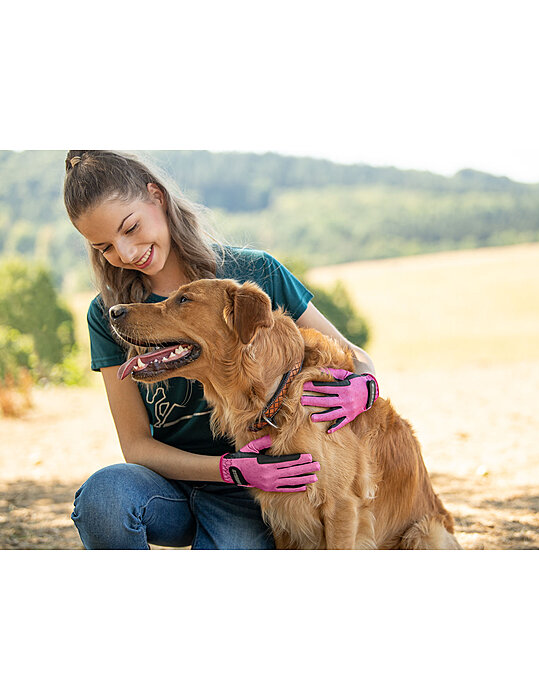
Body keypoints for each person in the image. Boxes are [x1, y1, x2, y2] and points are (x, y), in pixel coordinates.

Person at [63, 150, 378, 550]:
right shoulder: (111, 313)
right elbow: (136, 446)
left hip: (251, 496)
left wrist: (363, 386)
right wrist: (232, 469)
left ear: (156, 197)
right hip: (170, 487)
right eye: (104, 247)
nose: (125, 254)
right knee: (103, 499)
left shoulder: (255, 274)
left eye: (130, 227)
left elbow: (355, 355)